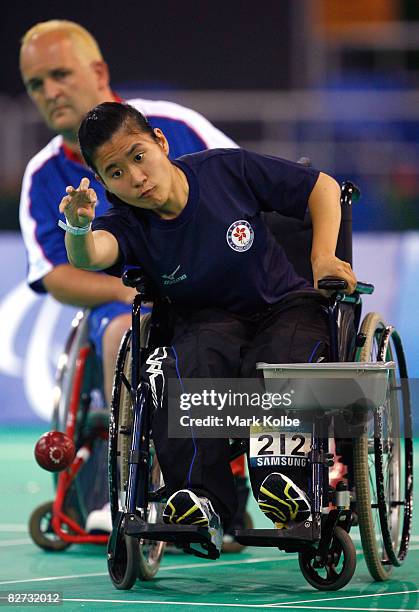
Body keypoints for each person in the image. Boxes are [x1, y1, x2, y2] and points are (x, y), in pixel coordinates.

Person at [60, 102, 357, 558]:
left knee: (286, 361)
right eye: (115, 173)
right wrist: (78, 228)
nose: (135, 178)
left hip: (284, 306)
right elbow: (92, 254)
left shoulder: (225, 170)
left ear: (160, 142)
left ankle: (284, 485)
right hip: (206, 323)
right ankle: (199, 500)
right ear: (103, 184)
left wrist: (322, 257)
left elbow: (322, 187)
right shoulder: (126, 222)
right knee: (182, 366)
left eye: (138, 157)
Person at [18, 20, 248, 545]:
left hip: (212, 290)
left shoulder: (171, 124)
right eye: (35, 84)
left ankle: (219, 479)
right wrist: (127, 292)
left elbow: (242, 183)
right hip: (125, 306)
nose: (49, 92)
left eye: (59, 75)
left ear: (97, 72)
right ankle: (136, 491)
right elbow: (56, 274)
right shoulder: (43, 174)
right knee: (128, 327)